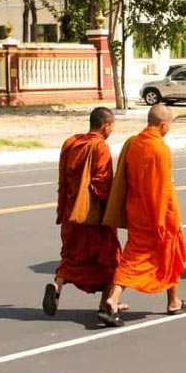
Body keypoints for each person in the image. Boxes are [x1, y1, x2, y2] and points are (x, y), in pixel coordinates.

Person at [99, 104, 186, 326]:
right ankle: (173, 302)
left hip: (136, 211)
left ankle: (113, 298)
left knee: (133, 258)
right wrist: (169, 220)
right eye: (169, 125)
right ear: (163, 125)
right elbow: (163, 189)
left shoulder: (134, 143)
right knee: (171, 254)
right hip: (158, 215)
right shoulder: (160, 149)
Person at [44, 107, 123, 317]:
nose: (112, 130)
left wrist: (62, 210)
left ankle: (57, 287)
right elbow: (102, 184)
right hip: (93, 216)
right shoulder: (100, 147)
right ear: (106, 126)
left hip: (72, 212)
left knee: (71, 257)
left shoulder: (71, 143)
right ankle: (105, 302)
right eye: (112, 126)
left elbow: (62, 180)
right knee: (110, 258)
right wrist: (113, 212)